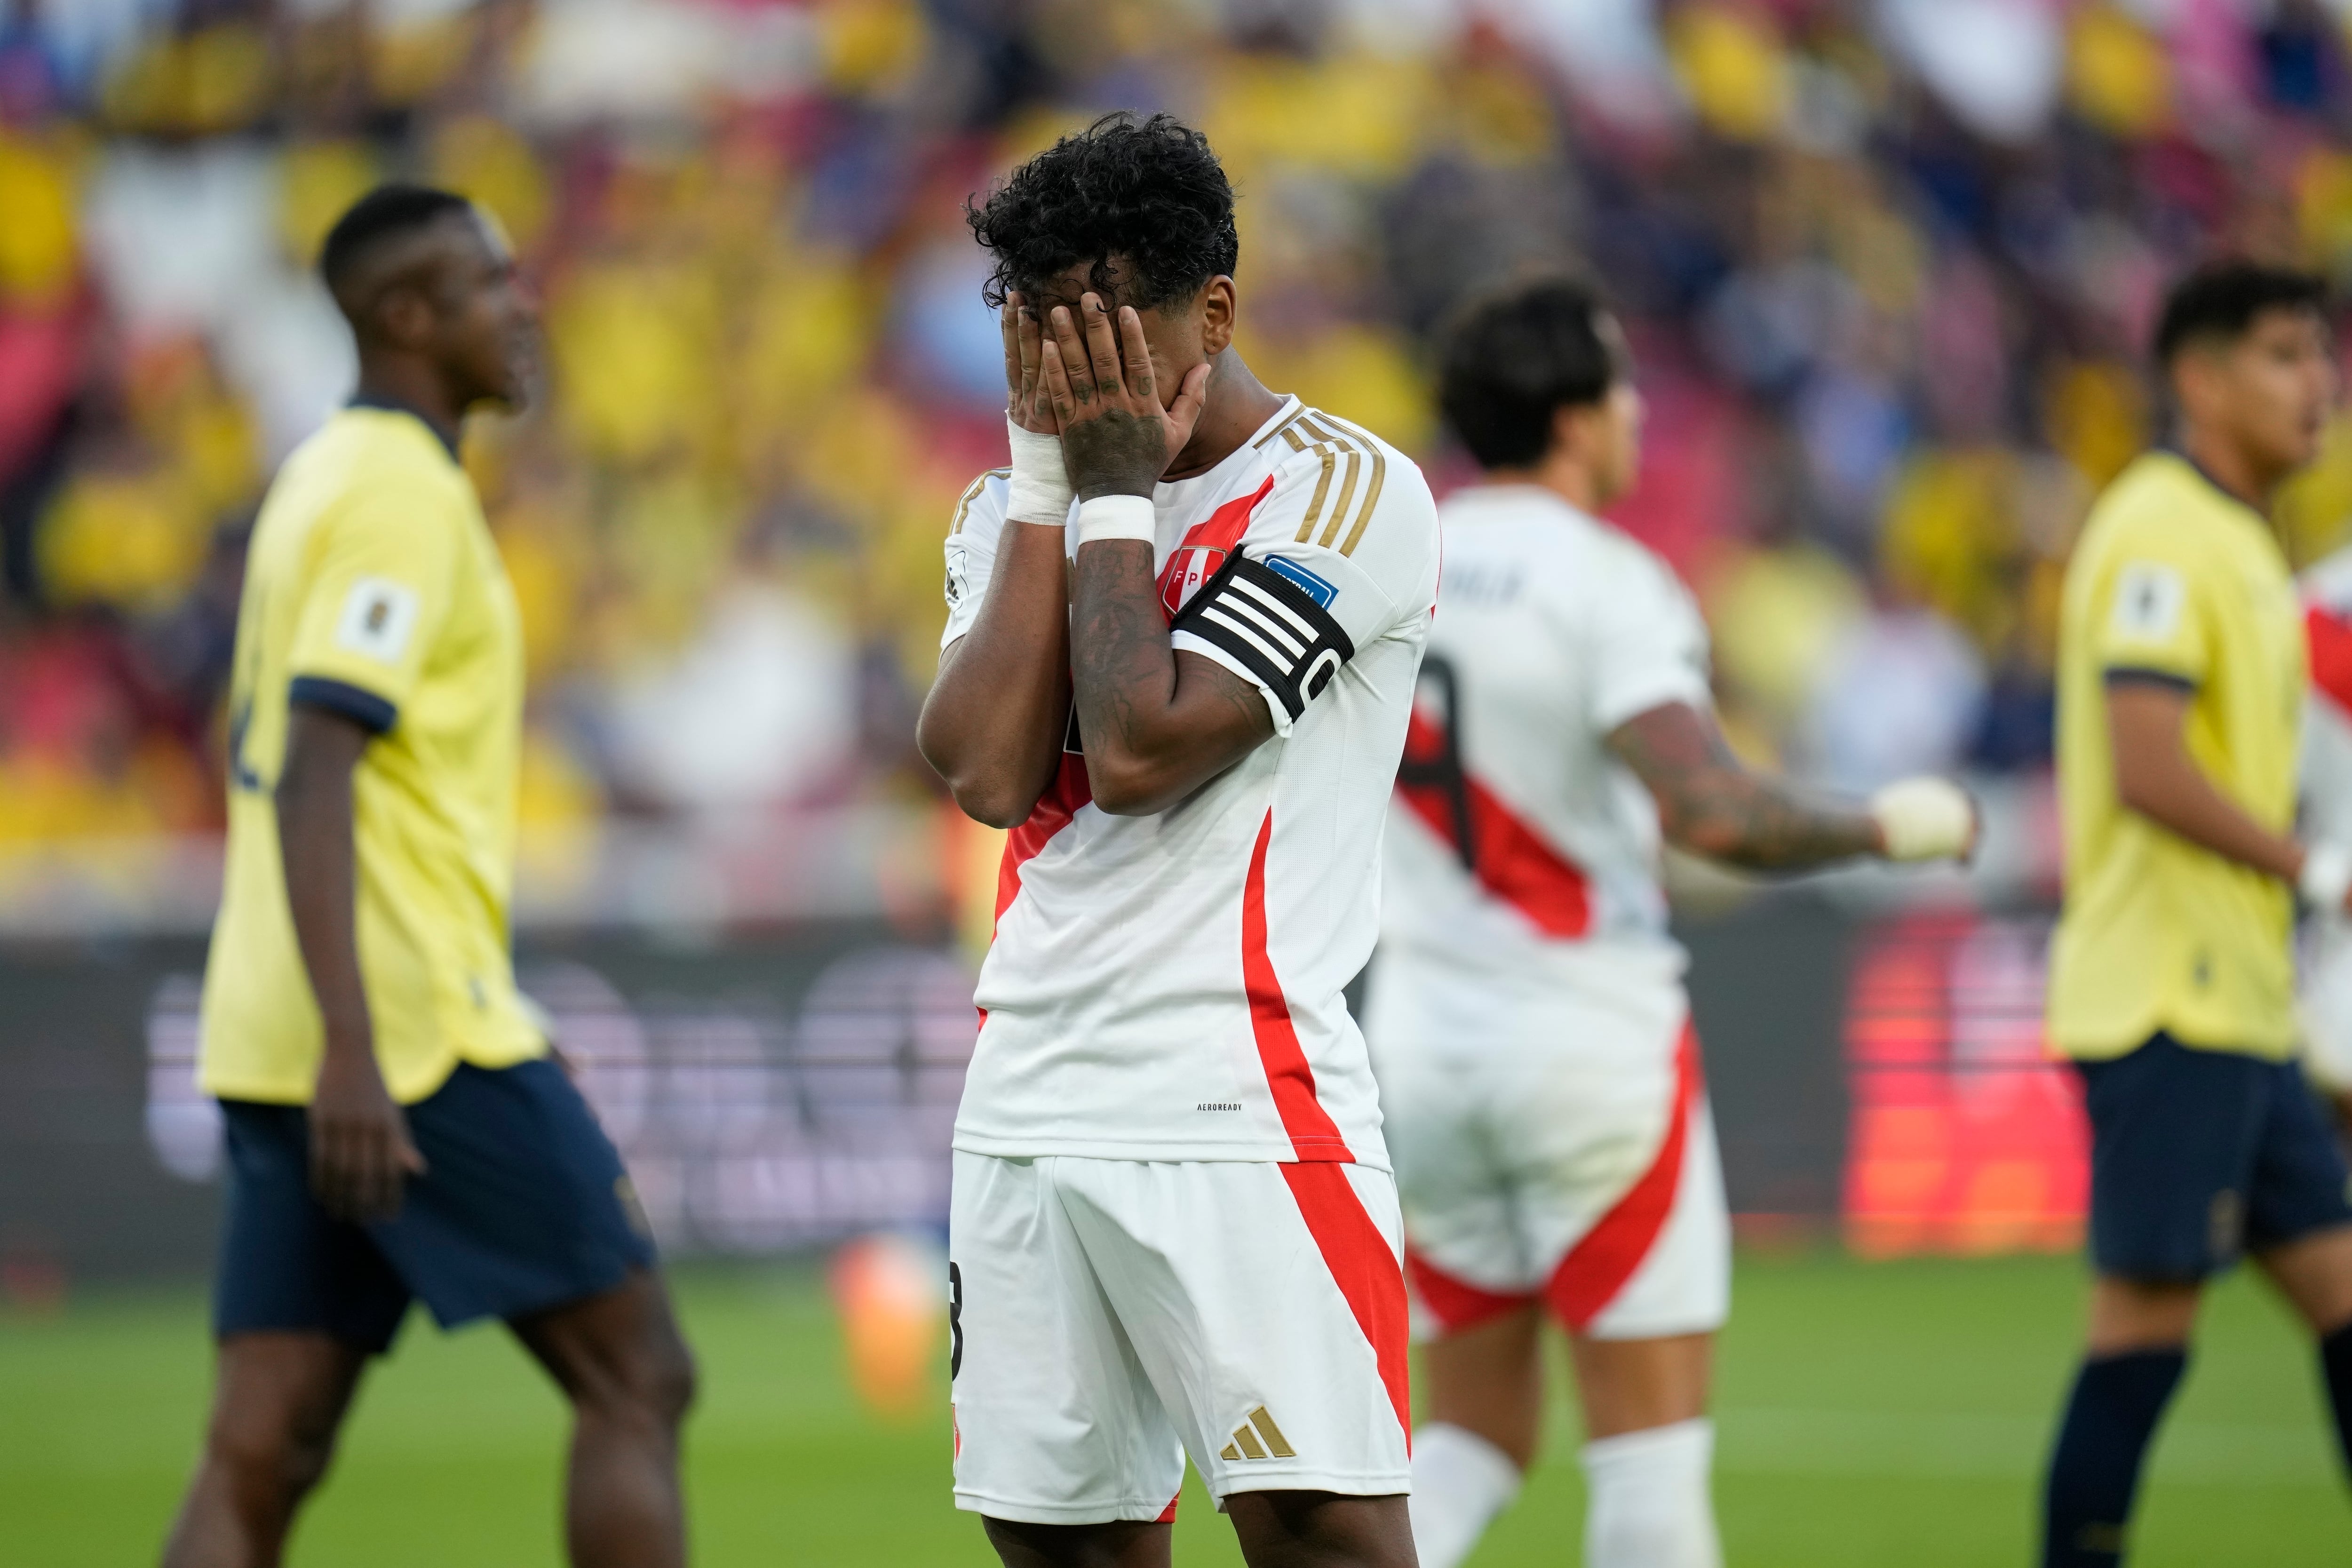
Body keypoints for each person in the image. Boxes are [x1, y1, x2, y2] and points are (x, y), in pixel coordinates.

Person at [1364, 274, 1978, 1568]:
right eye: (1623, 386)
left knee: (1467, 1436)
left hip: (1419, 1046)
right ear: (1575, 419)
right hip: (1586, 1043)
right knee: (1648, 1465)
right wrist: (1889, 827)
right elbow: (1711, 812)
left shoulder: (1394, 559)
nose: (1640, 411)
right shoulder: (1610, 580)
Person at [917, 113, 1439, 1568]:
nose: (1066, 379)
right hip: (1026, 1096)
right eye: (1038, 335)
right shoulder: (1007, 504)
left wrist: (1112, 495)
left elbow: (1141, 749)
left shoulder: (1345, 494)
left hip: (1237, 1092)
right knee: (1065, 1549)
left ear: (1212, 312)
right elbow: (985, 770)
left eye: (1100, 334)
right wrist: (1057, 487)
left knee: (1327, 1537)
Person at [163, 185, 694, 1568]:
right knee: (638, 1376)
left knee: (264, 1441)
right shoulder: (399, 495)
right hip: (396, 1040)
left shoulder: (323, 474)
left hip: (292, 1024)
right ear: (405, 316)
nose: (523, 306)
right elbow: (318, 763)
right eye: (488, 284)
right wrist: (362, 1049)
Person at [2041, 260, 2352, 1568]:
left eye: (2322, 354)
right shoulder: (2163, 531)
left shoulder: (2239, 538)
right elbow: (2148, 760)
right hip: (2169, 1000)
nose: (2319, 383)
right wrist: (2318, 871)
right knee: (2144, 1332)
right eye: (2285, 355)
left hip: (2242, 1005)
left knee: (2345, 1297)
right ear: (2200, 379)